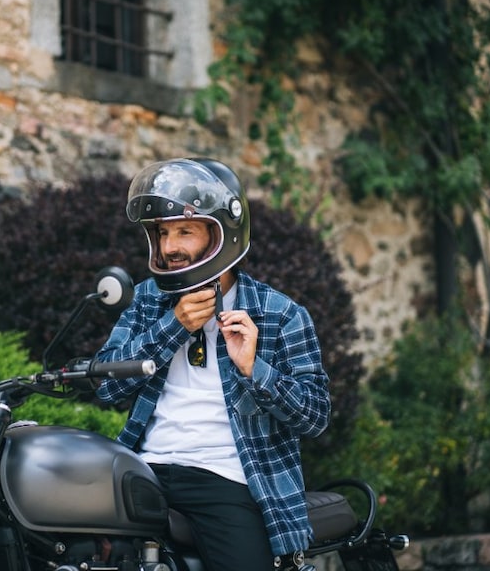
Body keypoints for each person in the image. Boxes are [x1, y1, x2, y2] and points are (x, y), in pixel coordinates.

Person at [95, 157, 331, 571]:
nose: (169, 247)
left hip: (226, 477)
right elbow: (105, 384)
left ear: (222, 233)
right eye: (163, 232)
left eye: (184, 231)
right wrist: (174, 326)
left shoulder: (280, 314)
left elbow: (315, 417)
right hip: (143, 467)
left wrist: (254, 368)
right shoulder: (149, 300)